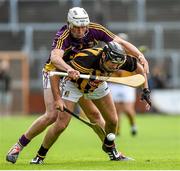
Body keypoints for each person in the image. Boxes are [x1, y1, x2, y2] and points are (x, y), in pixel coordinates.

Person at [6, 7, 149, 164]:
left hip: (82, 72)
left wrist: (140, 56)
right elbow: (55, 59)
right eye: (76, 27)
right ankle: (18, 146)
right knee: (53, 115)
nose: (80, 31)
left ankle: (112, 151)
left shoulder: (95, 30)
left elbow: (120, 42)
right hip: (56, 73)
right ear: (69, 25)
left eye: (83, 27)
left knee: (95, 116)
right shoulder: (63, 36)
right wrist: (68, 71)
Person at [32, 42, 151, 163]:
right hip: (73, 85)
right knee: (61, 124)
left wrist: (145, 90)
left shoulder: (120, 59)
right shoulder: (85, 59)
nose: (116, 67)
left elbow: (139, 69)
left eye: (118, 64)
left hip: (97, 83)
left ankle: (110, 148)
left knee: (113, 121)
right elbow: (54, 74)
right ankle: (39, 156)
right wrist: (57, 99)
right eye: (113, 63)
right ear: (104, 56)